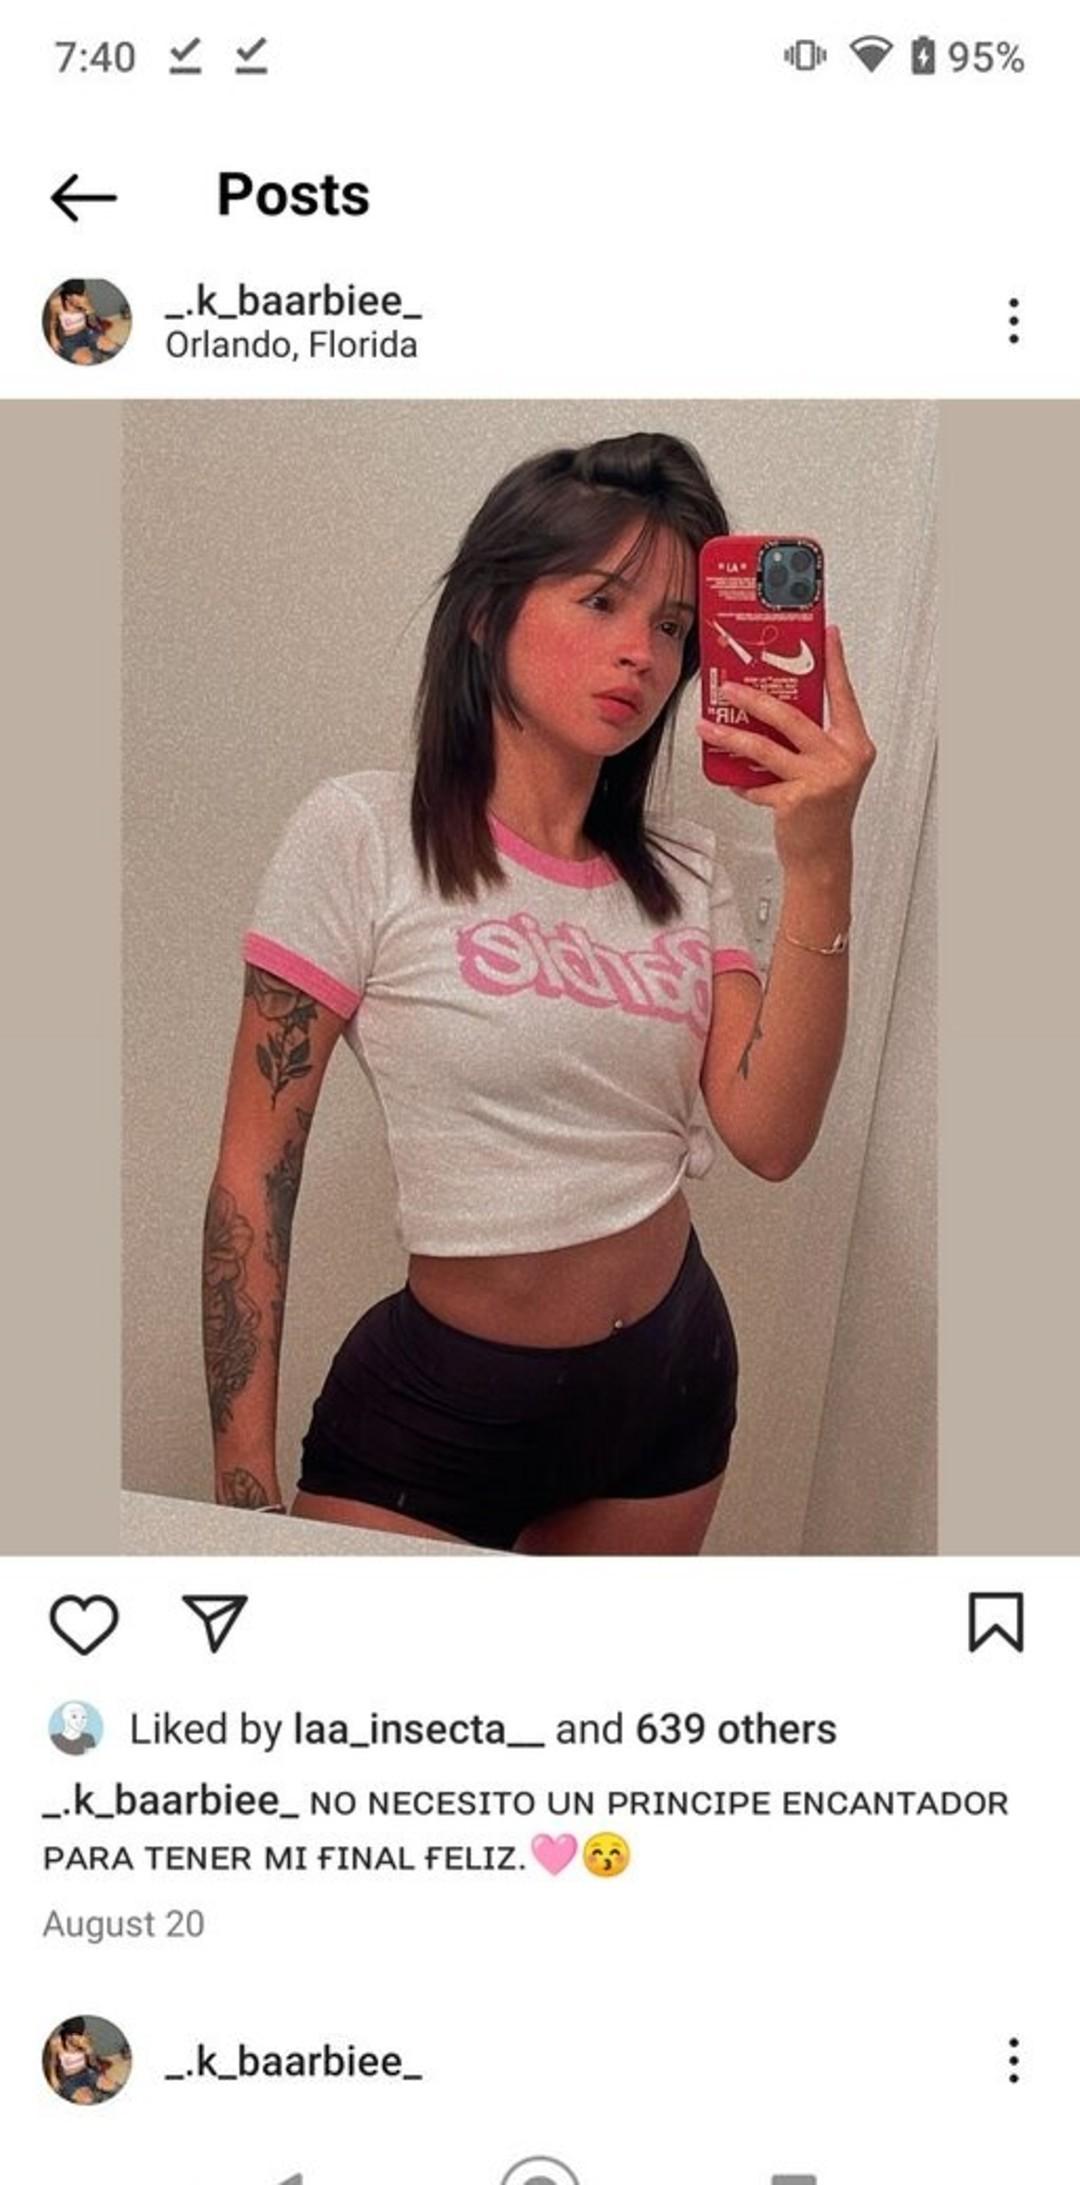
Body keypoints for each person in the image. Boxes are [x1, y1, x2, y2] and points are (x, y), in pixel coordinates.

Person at [203, 432, 875, 1554]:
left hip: (666, 1391)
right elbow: (253, 1176)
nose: (643, 654)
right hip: (441, 1411)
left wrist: (821, 861)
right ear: (485, 611)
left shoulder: (687, 869)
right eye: (601, 601)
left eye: (673, 626)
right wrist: (242, 1499)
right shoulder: (363, 834)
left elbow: (771, 1136)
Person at [44, 283, 118, 365]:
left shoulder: (84, 297)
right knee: (91, 361)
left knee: (115, 349)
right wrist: (53, 337)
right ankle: (91, 352)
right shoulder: (55, 303)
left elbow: (93, 323)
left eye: (82, 295)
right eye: (77, 298)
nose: (81, 299)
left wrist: (90, 310)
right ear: (68, 296)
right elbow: (53, 321)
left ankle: (94, 350)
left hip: (86, 333)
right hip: (69, 340)